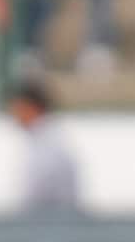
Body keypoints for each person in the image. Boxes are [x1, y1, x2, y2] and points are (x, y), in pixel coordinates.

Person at [8, 80, 81, 213]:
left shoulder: (48, 147)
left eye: (17, 108)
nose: (14, 115)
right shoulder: (46, 140)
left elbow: (29, 197)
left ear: (31, 108)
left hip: (47, 226)